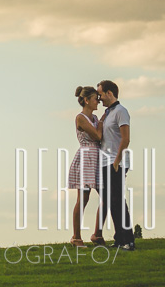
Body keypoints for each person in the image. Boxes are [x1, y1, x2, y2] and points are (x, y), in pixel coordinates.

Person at [97, 79, 135, 251]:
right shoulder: (107, 114)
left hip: (116, 162)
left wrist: (117, 161)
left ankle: (129, 240)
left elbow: (126, 139)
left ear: (109, 93)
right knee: (112, 202)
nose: (99, 98)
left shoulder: (121, 111)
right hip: (105, 163)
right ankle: (119, 239)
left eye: (101, 94)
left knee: (118, 201)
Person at [67, 85, 104, 247]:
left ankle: (97, 233)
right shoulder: (81, 118)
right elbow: (97, 136)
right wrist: (102, 124)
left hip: (97, 157)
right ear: (87, 100)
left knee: (107, 197)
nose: (98, 102)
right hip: (87, 157)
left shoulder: (95, 118)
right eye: (96, 99)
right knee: (83, 199)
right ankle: (76, 237)